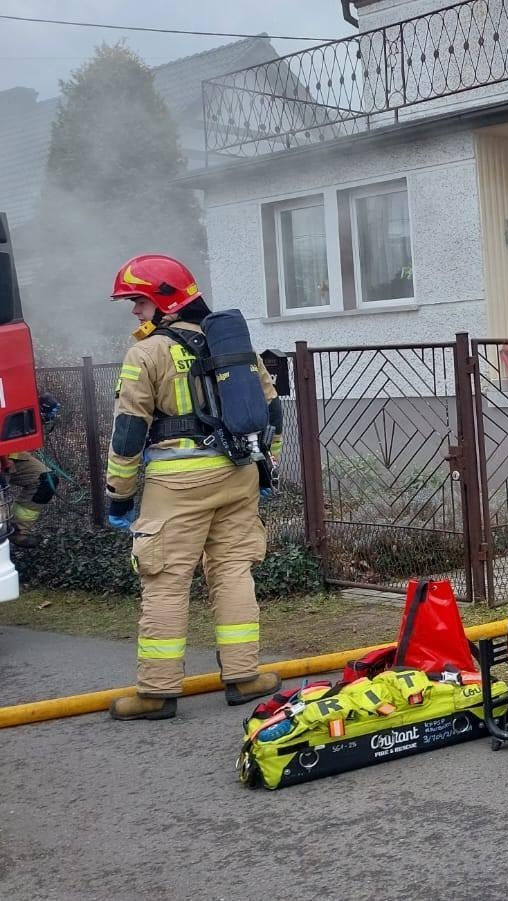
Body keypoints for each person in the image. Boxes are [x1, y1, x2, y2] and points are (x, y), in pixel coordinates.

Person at [102, 254, 284, 721]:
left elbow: (128, 433)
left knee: (164, 581)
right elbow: (272, 410)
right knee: (233, 571)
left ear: (165, 300)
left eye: (138, 301)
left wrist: (119, 494)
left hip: (177, 483)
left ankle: (156, 692)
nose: (134, 311)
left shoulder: (146, 354)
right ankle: (245, 677)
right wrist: (267, 470)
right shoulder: (232, 345)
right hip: (238, 474)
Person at [4, 392, 61, 548]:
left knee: (46, 480)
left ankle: (17, 531)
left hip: (11, 451)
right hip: (4, 455)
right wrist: (5, 461)